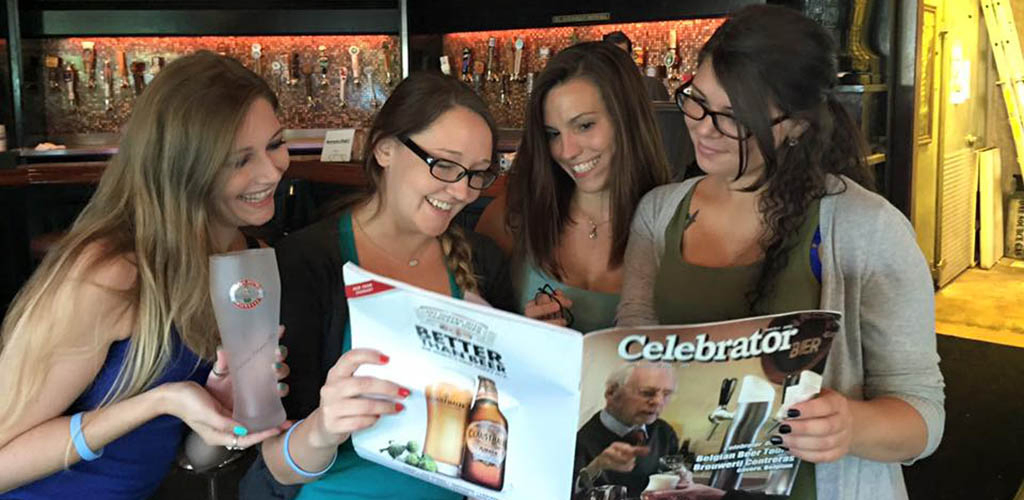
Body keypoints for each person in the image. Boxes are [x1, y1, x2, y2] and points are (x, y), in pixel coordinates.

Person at [617, 6, 944, 500]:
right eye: (696, 101)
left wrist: (850, 424)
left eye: (732, 118)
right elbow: (633, 340)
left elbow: (924, 414)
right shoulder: (660, 212)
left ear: (796, 125)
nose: (703, 128)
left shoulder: (866, 229)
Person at [0, 51, 290, 498]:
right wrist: (156, 402)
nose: (272, 171)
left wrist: (226, 412)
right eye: (239, 160)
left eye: (275, 144)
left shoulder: (249, 260)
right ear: (182, 170)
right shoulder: (111, 273)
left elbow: (191, 458)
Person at [240, 72, 516, 500]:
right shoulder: (306, 264)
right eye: (443, 164)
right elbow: (272, 462)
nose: (462, 190)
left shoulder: (483, 261)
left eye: (477, 173)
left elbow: (503, 430)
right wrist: (324, 428)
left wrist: (525, 355)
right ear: (384, 148)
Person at [476, 42, 670, 333]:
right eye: (553, 134)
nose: (566, 151)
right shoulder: (515, 212)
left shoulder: (674, 222)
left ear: (628, 120)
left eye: (584, 126)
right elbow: (476, 334)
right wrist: (523, 333)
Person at [574, 362, 679, 497]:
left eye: (666, 394)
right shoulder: (578, 440)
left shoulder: (664, 431)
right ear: (611, 392)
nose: (658, 401)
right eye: (647, 393)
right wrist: (596, 467)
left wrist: (682, 480)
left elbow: (671, 475)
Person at [602, 31, 671, 101]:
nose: (617, 60)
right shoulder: (597, 89)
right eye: (613, 55)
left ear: (630, 57)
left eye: (622, 55)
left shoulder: (651, 87)